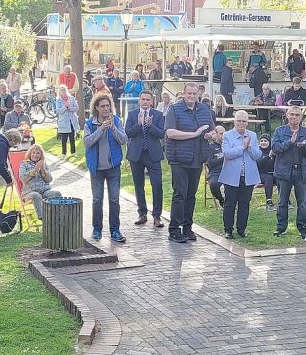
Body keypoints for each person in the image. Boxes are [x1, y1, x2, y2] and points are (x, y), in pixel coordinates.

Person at [164, 82, 215, 243]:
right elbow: (170, 133)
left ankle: (188, 227)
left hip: (197, 158)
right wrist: (194, 134)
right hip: (179, 159)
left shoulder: (204, 110)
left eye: (194, 94)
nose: (192, 96)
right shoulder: (174, 109)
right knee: (180, 194)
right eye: (189, 94)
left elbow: (213, 130)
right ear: (184, 93)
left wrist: (210, 135)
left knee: (191, 195)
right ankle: (174, 229)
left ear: (198, 94)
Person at [83, 94, 128, 242]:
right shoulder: (89, 124)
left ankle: (115, 230)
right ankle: (97, 230)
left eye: (108, 106)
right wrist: (101, 129)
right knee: (97, 199)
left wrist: (114, 129)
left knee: (114, 200)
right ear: (96, 107)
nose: (105, 109)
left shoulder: (116, 121)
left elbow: (123, 140)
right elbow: (87, 142)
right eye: (102, 106)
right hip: (96, 168)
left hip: (113, 167)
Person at [271, 106, 306, 242]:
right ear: (287, 115)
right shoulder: (279, 131)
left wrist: (303, 147)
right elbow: (275, 148)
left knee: (302, 202)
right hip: (284, 171)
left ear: (301, 117)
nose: (294, 117)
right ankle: (281, 227)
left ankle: (303, 229)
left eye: (297, 115)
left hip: (302, 171)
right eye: (292, 114)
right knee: (282, 201)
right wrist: (290, 142)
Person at [125, 90, 166, 227]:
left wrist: (150, 126)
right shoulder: (132, 114)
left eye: (148, 100)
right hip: (136, 154)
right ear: (139, 100)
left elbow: (161, 134)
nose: (145, 102)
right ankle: (142, 213)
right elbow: (128, 132)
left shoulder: (158, 115)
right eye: (143, 99)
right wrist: (139, 124)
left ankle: (157, 215)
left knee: (157, 185)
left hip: (152, 154)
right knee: (138, 185)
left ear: (152, 101)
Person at [219, 110, 262, 239]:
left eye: (244, 121)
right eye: (239, 121)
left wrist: (249, 147)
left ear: (247, 122)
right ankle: (228, 230)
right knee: (230, 203)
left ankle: (241, 229)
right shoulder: (227, 135)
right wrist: (242, 148)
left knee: (244, 203)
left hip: (247, 176)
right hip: (231, 175)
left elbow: (258, 155)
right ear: (234, 121)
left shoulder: (252, 135)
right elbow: (227, 154)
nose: (241, 123)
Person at [19, 144, 60, 219]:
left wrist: (42, 169)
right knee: (36, 195)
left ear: (41, 155)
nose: (35, 155)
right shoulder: (24, 164)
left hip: (44, 191)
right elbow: (23, 179)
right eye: (33, 152)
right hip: (29, 193)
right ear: (30, 153)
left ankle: (58, 217)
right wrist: (35, 169)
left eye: (38, 153)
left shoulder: (43, 164)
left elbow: (49, 180)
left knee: (56, 193)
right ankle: (43, 218)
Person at [204, 126, 226, 208]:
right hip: (215, 172)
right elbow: (210, 163)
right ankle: (221, 201)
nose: (224, 136)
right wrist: (224, 158)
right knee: (213, 184)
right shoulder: (211, 147)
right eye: (221, 134)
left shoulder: (229, 145)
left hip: (229, 171)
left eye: (225, 133)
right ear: (216, 134)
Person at [55, 84, 79, 156]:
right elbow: (59, 111)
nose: (63, 91)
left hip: (72, 121)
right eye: (61, 90)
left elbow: (76, 108)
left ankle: (73, 152)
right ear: (59, 92)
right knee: (64, 139)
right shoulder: (58, 100)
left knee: (72, 138)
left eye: (64, 89)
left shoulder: (71, 98)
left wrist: (70, 108)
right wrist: (65, 107)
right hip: (64, 122)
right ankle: (63, 153)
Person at [256, 134, 277, 211]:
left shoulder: (273, 151)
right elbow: (258, 164)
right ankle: (269, 201)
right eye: (261, 141)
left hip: (272, 173)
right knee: (269, 178)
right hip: (259, 174)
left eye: (265, 141)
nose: (263, 142)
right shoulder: (257, 152)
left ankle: (285, 200)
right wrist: (268, 156)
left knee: (281, 177)